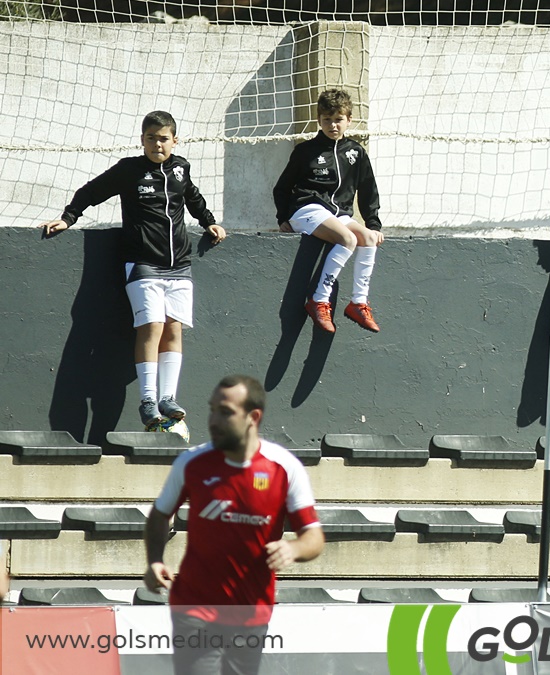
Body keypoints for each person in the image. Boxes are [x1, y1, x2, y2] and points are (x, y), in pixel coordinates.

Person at [39, 111, 227, 429]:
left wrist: (209, 221)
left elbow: (192, 198)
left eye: (163, 138)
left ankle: (168, 398)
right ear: (142, 140)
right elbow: (92, 192)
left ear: (175, 141)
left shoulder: (181, 168)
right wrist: (68, 217)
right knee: (151, 326)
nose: (157, 144)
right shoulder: (129, 171)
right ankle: (148, 400)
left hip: (179, 265)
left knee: (174, 328)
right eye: (151, 138)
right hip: (143, 265)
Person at [144, 375, 324, 675]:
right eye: (212, 409)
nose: (213, 419)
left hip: (251, 609)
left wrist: (293, 549)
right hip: (193, 605)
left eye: (225, 411)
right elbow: (160, 514)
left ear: (253, 417)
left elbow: (313, 537)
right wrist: (154, 560)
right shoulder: (191, 462)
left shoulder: (284, 467)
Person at [274, 88, 384, 334]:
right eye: (327, 120)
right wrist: (283, 217)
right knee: (347, 238)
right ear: (319, 120)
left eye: (338, 119)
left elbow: (368, 190)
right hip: (307, 208)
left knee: (366, 238)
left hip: (338, 213)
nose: (333, 125)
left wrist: (373, 225)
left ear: (349, 120)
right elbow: (282, 187)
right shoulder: (305, 151)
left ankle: (359, 303)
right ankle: (319, 300)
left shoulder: (356, 152)